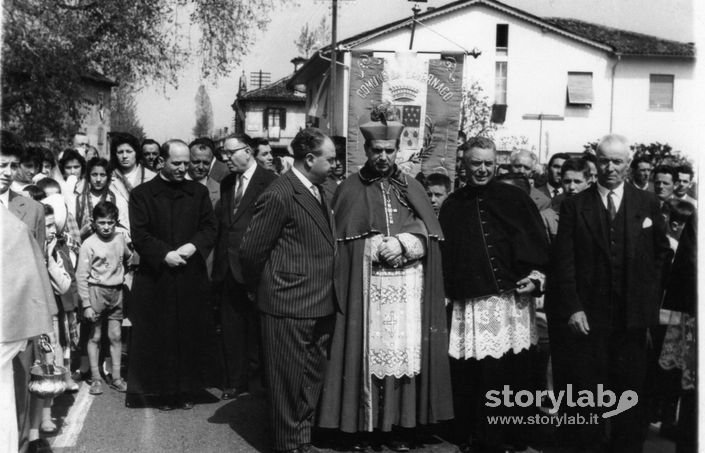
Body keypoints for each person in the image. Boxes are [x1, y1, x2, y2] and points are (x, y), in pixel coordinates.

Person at [317, 113, 453, 451]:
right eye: (377, 150)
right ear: (366, 149)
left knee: (402, 355)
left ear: (397, 150)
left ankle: (400, 427)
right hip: (368, 289)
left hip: (407, 288)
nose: (383, 157)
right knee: (365, 354)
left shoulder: (412, 185)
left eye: (389, 151)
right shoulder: (349, 187)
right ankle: (365, 428)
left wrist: (408, 243)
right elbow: (342, 242)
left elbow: (429, 233)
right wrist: (373, 247)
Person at [548, 134, 671, 453]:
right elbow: (564, 262)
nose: (610, 167)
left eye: (617, 161)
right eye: (604, 160)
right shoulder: (576, 205)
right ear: (595, 163)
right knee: (587, 394)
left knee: (630, 394)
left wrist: (648, 297)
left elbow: (661, 253)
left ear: (627, 165)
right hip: (590, 319)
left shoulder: (647, 203)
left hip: (632, 320)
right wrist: (574, 308)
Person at [440, 136, 549, 453]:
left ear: (497, 164)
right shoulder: (452, 205)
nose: (483, 169)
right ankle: (477, 435)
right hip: (472, 303)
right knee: (474, 372)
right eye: (476, 163)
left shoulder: (515, 199)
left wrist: (535, 277)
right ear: (465, 164)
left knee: (511, 369)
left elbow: (537, 248)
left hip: (510, 302)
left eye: (489, 163)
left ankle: (511, 436)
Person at [239, 128, 337, 453]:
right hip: (287, 303)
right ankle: (287, 446)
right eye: (331, 158)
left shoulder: (320, 190)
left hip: (319, 302)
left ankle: (301, 440)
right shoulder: (281, 192)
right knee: (286, 382)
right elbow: (252, 250)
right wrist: (263, 290)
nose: (335, 165)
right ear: (309, 159)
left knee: (309, 378)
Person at [126, 139, 217, 411]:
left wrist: (192, 247)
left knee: (188, 332)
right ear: (162, 161)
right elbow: (140, 234)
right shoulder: (142, 194)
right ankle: (161, 392)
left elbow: (210, 227)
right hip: (157, 277)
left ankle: (186, 388)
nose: (183, 168)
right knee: (159, 334)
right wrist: (165, 254)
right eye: (176, 163)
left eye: (186, 163)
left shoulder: (197, 193)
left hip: (190, 275)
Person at [212, 136, 277, 400]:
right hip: (228, 267)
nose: (225, 158)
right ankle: (235, 380)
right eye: (223, 154)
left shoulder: (270, 182)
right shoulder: (227, 183)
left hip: (256, 268)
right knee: (231, 327)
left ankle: (258, 381)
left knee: (258, 327)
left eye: (229, 153)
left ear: (248, 151)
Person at [76, 201, 133, 396]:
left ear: (116, 222)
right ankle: (96, 377)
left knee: (116, 336)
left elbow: (128, 257)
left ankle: (116, 377)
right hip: (96, 292)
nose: (107, 227)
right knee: (96, 336)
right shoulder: (88, 244)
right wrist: (86, 304)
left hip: (116, 292)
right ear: (93, 222)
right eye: (102, 222)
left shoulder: (119, 239)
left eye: (111, 222)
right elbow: (81, 276)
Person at [109, 133, 156, 231]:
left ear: (136, 153)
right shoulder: (108, 178)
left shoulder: (152, 177)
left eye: (129, 151)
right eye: (120, 152)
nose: (124, 156)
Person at [540, 158, 591, 242]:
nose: (571, 187)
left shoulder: (599, 212)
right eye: (567, 181)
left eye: (577, 182)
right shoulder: (547, 217)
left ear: (588, 183)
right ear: (561, 182)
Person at [75, 158, 122, 240]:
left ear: (108, 177)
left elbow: (124, 229)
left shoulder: (117, 199)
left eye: (103, 175)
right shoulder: (78, 200)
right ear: (88, 176)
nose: (98, 179)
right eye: (94, 174)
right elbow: (71, 232)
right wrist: (81, 233)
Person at [321, 136, 346, 200]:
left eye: (342, 158)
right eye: (334, 159)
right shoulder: (321, 184)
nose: (337, 163)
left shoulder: (355, 180)